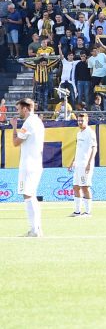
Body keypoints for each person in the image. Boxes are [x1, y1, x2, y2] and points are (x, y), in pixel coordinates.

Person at [10, 99, 45, 237]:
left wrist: (13, 126)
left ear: (25, 109)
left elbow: (15, 142)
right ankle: (37, 228)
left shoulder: (29, 122)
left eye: (19, 109)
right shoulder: (38, 122)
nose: (18, 112)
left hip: (29, 163)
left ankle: (34, 230)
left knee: (28, 195)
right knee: (31, 195)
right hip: (36, 162)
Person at [69, 112, 97, 217]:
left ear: (87, 121)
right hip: (78, 164)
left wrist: (89, 163)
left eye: (82, 121)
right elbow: (78, 148)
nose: (80, 122)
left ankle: (88, 212)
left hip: (85, 163)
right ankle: (77, 211)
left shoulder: (90, 133)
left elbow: (94, 148)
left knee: (85, 187)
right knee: (76, 186)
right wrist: (73, 161)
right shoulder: (79, 133)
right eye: (79, 120)